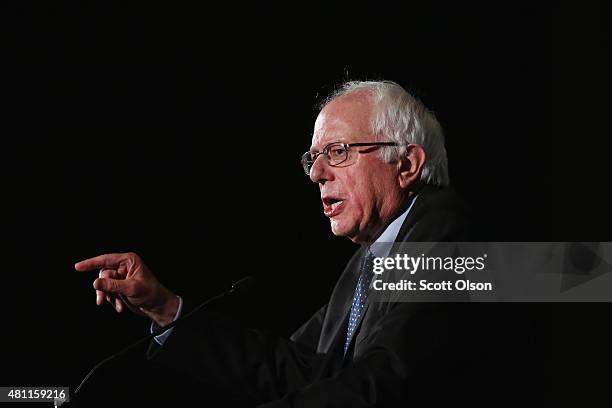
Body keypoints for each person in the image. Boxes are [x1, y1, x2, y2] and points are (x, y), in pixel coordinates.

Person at [75, 81, 482, 407]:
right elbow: (291, 370)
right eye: (313, 157)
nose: (316, 173)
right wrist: (165, 308)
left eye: (338, 152)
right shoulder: (367, 263)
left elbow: (387, 382)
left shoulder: (451, 233)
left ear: (407, 164)